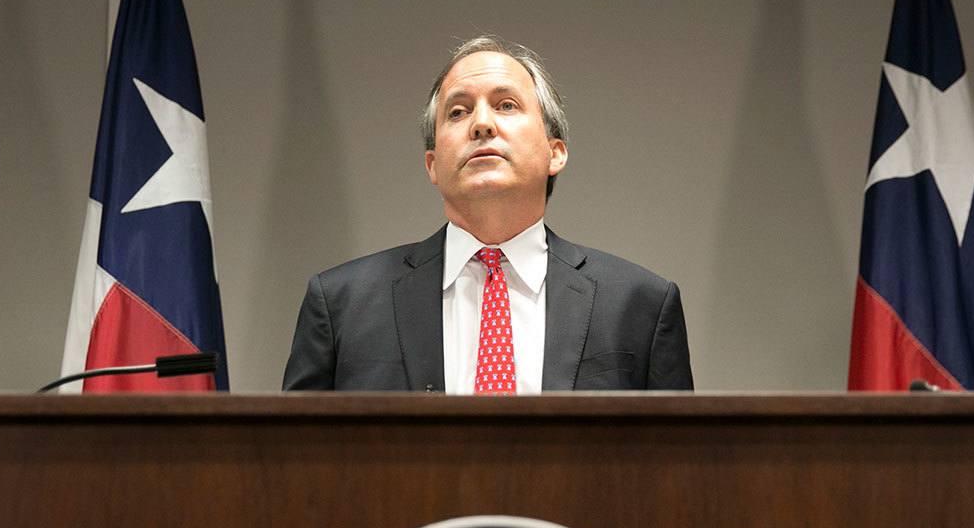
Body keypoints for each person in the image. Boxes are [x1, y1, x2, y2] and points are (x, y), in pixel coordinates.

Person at [282, 36, 693, 393]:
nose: (481, 124)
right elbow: (293, 468)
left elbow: (677, 473)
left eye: (506, 105)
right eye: (458, 112)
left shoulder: (641, 306)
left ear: (555, 152)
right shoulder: (340, 305)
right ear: (432, 164)